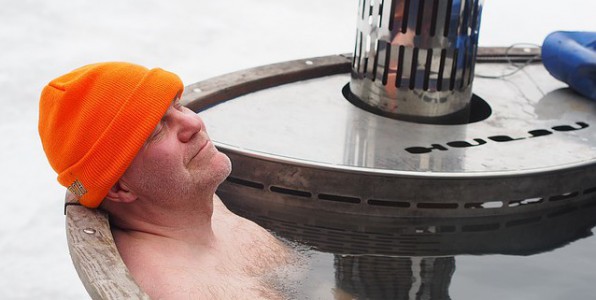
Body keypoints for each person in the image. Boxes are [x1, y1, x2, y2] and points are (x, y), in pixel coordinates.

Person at [38, 62, 293, 299]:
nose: (193, 122)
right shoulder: (176, 290)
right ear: (118, 187)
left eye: (178, 105)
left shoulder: (187, 206)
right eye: (157, 130)